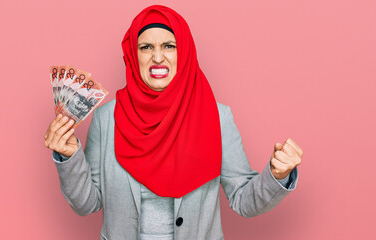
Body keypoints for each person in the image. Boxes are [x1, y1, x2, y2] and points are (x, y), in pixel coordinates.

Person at [44, 5, 303, 240]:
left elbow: (243, 200)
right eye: (146, 47)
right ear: (133, 56)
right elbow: (87, 203)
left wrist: (277, 175)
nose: (158, 57)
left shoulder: (218, 117)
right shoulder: (106, 119)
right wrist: (69, 157)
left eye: (169, 46)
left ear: (185, 52)